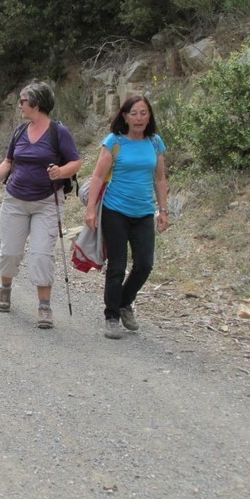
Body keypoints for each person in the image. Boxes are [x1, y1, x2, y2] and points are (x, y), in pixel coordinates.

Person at [0, 81, 81, 329]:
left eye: (23, 100)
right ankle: (5, 288)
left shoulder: (58, 132)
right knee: (10, 252)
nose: (19, 104)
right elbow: (8, 162)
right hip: (15, 200)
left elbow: (76, 162)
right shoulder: (20, 131)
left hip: (47, 202)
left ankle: (44, 306)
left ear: (36, 103)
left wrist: (60, 171)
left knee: (42, 254)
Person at [84, 95, 169, 339]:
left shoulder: (155, 143)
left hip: (143, 212)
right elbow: (98, 177)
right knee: (117, 267)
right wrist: (90, 209)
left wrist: (163, 211)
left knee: (145, 264)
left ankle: (124, 302)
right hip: (115, 211)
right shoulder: (114, 141)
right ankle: (111, 316)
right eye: (134, 113)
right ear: (124, 116)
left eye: (143, 113)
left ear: (149, 115)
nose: (139, 118)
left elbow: (160, 179)